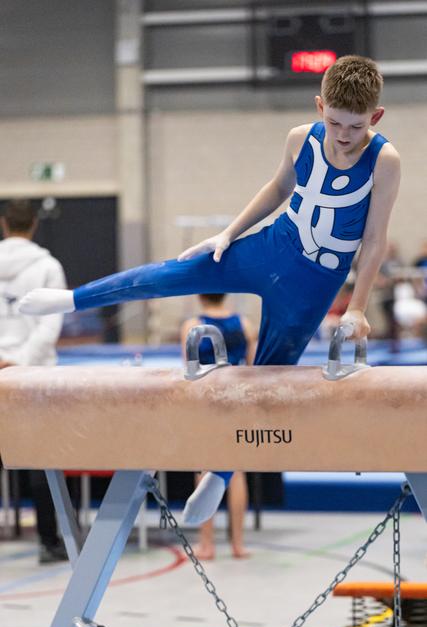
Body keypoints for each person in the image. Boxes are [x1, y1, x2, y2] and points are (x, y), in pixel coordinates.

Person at [18, 55, 401, 525]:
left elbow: (376, 238)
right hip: (271, 246)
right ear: (320, 105)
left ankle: (219, 476)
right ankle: (71, 299)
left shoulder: (384, 160)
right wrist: (228, 234)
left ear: (375, 118)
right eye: (334, 122)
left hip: (314, 282)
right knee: (170, 273)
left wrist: (357, 307)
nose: (343, 135)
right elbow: (278, 188)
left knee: (268, 379)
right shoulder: (301, 138)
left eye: (355, 126)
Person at [0, 199, 68, 563]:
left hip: (9, 373)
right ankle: (49, 541)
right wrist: (20, 362)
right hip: (35, 375)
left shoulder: (47, 267)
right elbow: (50, 325)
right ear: (34, 225)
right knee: (43, 458)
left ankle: (49, 540)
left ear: (4, 225)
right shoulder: (48, 267)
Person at [181, 293, 257, 559]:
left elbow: (188, 369)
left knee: (205, 471)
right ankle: (238, 544)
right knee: (235, 472)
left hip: (207, 401)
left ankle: (207, 544)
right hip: (235, 399)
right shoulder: (244, 324)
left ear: (200, 296)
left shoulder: (192, 326)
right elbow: (253, 367)